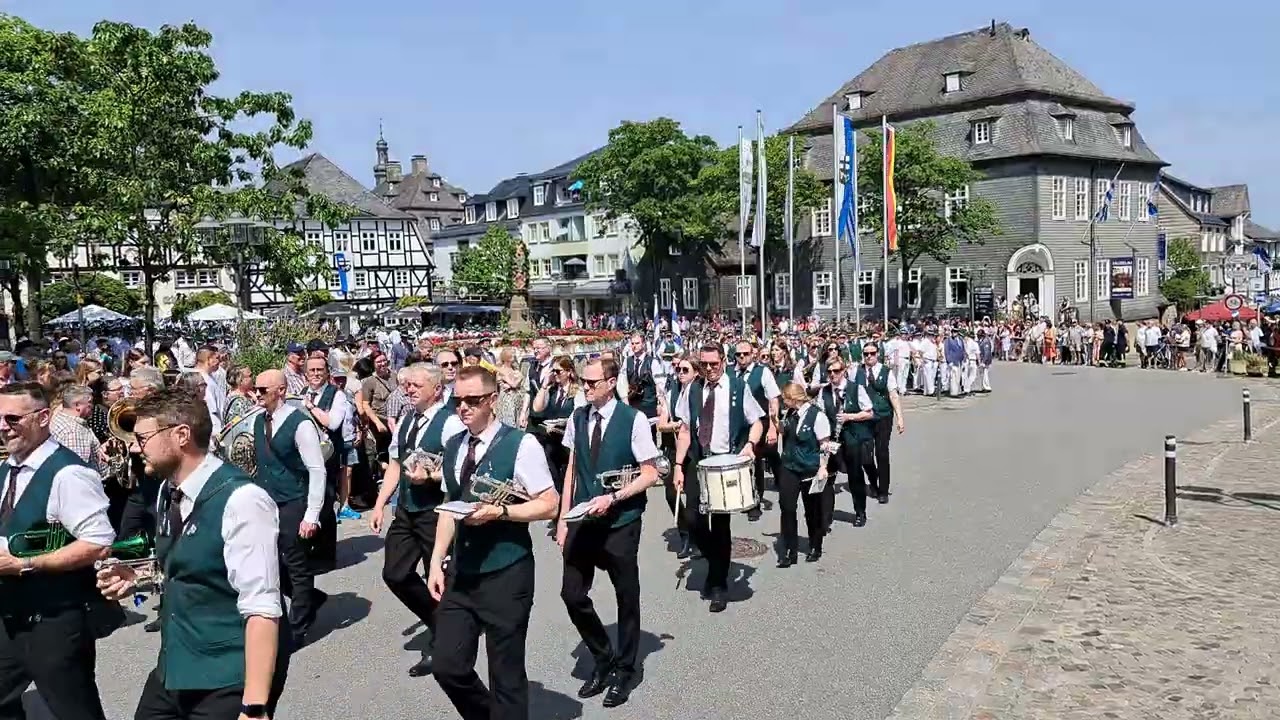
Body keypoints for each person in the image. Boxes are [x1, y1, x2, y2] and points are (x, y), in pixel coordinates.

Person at [97, 388, 289, 720]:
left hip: (228, 674)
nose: (133, 447)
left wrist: (255, 706)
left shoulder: (243, 501)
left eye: (143, 438)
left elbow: (263, 607)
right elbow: (191, 563)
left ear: (181, 435)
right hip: (176, 665)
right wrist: (140, 577)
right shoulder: (166, 490)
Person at [427, 366, 560, 720]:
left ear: (493, 400)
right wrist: (436, 559)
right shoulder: (455, 444)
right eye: (458, 401)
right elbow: (448, 506)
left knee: (506, 675)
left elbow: (550, 503)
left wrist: (501, 512)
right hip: (463, 572)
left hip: (507, 572)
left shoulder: (521, 444)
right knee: (447, 664)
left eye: (473, 400)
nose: (464, 408)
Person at [0, 382, 113, 720]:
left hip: (54, 620)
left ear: (43, 417)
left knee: (74, 711)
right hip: (10, 616)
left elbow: (98, 543)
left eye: (12, 418)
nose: (3, 427)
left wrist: (26, 564)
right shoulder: (8, 468)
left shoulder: (70, 473)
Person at [556, 358, 661, 708]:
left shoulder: (633, 420)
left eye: (591, 382)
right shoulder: (578, 416)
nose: (584, 387)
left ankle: (627, 669)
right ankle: (603, 656)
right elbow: (572, 466)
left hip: (621, 522)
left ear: (611, 381)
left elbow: (650, 473)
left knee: (626, 597)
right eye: (582, 382)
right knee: (572, 594)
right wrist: (562, 519)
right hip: (583, 519)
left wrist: (614, 497)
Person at [370, 363, 464, 677]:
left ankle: (443, 644)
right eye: (407, 385)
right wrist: (380, 503)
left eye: (415, 386)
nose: (408, 390)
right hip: (407, 509)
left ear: (436, 389)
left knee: (438, 576)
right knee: (395, 573)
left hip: (435, 512)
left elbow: (461, 470)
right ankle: (440, 620)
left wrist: (433, 477)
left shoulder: (450, 423)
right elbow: (396, 463)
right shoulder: (407, 420)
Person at [673, 344, 764, 613]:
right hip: (697, 459)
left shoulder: (736, 387)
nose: (709, 369)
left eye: (714, 364)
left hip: (725, 462)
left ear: (723, 361)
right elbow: (685, 430)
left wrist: (750, 444)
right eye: (704, 364)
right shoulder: (693, 389)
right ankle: (715, 564)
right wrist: (678, 465)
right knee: (692, 519)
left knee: (720, 526)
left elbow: (756, 421)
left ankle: (718, 584)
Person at [252, 369, 328, 647]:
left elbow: (316, 470)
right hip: (267, 503)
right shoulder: (259, 421)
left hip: (293, 501)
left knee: (295, 562)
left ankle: (299, 627)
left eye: (263, 390)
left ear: (281, 390)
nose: (257, 394)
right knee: (268, 562)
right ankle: (310, 598)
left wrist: (311, 515)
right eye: (255, 389)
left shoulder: (300, 423)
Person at [775, 382, 831, 566]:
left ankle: (815, 545)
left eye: (785, 398)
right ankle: (790, 549)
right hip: (789, 467)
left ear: (793, 398)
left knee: (812, 510)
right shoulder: (790, 414)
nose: (783, 402)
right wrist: (776, 422)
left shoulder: (817, 416)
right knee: (787, 508)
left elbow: (824, 444)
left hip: (809, 468)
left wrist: (823, 467)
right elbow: (785, 431)